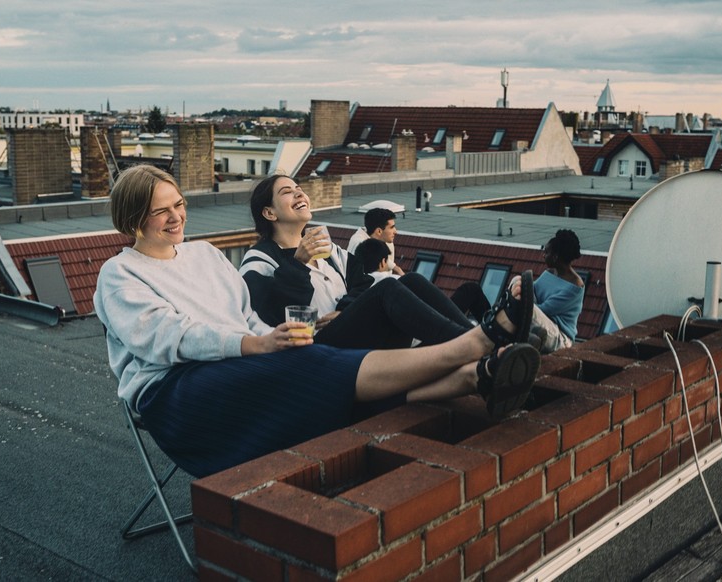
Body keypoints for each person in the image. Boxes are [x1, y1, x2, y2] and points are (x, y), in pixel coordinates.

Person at [94, 165, 539, 477]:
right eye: (161, 211)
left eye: (179, 204)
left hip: (233, 364)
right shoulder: (120, 274)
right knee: (308, 365)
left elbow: (246, 316)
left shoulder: (205, 255)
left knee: (310, 355)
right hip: (174, 390)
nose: (176, 217)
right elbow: (168, 337)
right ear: (133, 219)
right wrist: (258, 345)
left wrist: (270, 339)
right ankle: (477, 342)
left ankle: (475, 376)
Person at [240, 174, 480, 350]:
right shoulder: (259, 260)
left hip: (349, 333)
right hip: (319, 348)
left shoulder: (330, 251)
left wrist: (343, 309)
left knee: (412, 280)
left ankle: (478, 339)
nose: (299, 193)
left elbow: (362, 283)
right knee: (387, 286)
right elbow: (271, 316)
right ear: (270, 213)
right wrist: (299, 262)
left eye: (299, 188)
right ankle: (474, 345)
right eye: (287, 192)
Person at [527, 228, 585, 353]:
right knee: (517, 280)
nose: (543, 256)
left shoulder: (574, 287)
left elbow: (544, 310)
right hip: (540, 320)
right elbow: (531, 289)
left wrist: (525, 299)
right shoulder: (549, 273)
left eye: (546, 252)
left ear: (555, 256)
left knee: (528, 308)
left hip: (560, 336)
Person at [347, 207, 404, 275]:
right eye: (391, 227)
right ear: (379, 231)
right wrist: (396, 268)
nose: (396, 232)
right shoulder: (358, 244)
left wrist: (396, 268)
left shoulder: (387, 241)